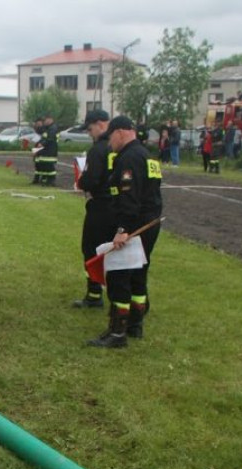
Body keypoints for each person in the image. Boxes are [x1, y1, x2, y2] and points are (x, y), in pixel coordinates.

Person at [88, 115, 162, 349]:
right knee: (139, 275)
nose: (109, 143)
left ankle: (117, 333)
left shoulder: (128, 158)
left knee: (119, 276)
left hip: (134, 227)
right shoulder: (147, 155)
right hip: (150, 223)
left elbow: (129, 199)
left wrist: (122, 230)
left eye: (110, 137)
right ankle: (134, 325)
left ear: (120, 132)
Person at [72, 109, 116, 309]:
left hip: (101, 207)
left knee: (91, 249)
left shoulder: (98, 149)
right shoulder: (123, 147)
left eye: (90, 129)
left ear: (100, 124)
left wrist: (81, 182)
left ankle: (94, 294)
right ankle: (119, 294)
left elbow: (91, 179)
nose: (90, 134)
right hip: (121, 206)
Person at [33, 114, 59, 185]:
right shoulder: (48, 128)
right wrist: (37, 126)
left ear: (50, 119)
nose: (44, 122)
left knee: (49, 166)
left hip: (51, 150)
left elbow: (50, 139)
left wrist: (42, 144)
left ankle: (51, 180)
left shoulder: (53, 128)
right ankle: (45, 180)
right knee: (43, 165)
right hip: (46, 150)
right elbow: (40, 131)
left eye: (45, 120)